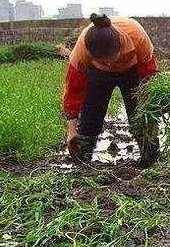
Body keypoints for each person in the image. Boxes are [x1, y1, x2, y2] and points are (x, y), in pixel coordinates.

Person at [63, 14, 160, 166]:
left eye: (111, 60)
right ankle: (82, 163)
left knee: (140, 115)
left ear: (120, 45)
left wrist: (152, 104)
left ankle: (151, 161)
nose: (109, 65)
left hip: (131, 70)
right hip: (98, 74)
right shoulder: (82, 49)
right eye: (103, 61)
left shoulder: (137, 35)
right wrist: (71, 131)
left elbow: (150, 75)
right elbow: (73, 91)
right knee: (90, 118)